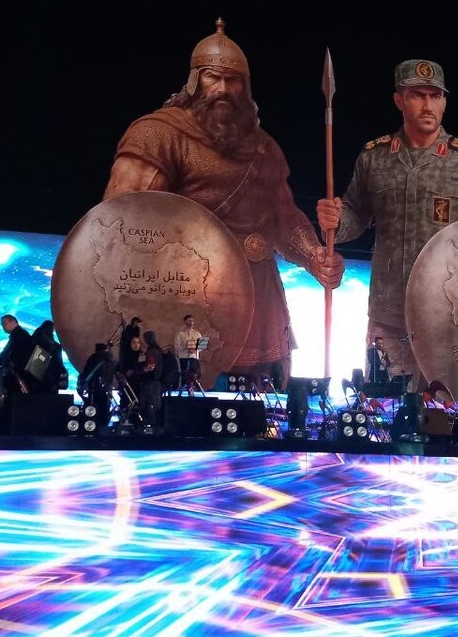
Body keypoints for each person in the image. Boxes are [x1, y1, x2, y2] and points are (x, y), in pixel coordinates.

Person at [104, 19, 343, 377]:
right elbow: (124, 219)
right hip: (189, 292)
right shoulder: (159, 135)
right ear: (193, 79)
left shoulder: (263, 148)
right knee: (183, 394)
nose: (223, 89)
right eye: (213, 77)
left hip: (258, 297)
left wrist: (316, 257)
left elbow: (283, 217)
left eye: (234, 81)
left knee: (262, 408)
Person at [316, 59, 458, 380]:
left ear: (445, 102)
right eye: (417, 95)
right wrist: (334, 220)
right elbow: (354, 217)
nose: (428, 105)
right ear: (398, 100)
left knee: (444, 417)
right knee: (386, 412)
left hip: (448, 319)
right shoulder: (374, 158)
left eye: (436, 96)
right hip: (387, 318)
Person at [0, 314, 35, 393]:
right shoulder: (19, 334)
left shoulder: (18, 335)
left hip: (18, 374)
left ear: (12, 322)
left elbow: (12, 353)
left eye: (4, 324)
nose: (3, 327)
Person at [28, 320, 67, 395]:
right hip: (49, 378)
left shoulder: (33, 340)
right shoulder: (54, 345)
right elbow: (58, 362)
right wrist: (63, 371)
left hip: (33, 375)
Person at [174, 314, 203, 385]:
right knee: (184, 374)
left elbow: (201, 346)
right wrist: (186, 349)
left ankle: (192, 388)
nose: (191, 322)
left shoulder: (198, 334)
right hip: (183, 357)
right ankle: (183, 389)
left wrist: (195, 350)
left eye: (192, 321)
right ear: (185, 322)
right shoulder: (179, 334)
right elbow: (176, 346)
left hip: (194, 357)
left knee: (193, 374)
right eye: (189, 320)